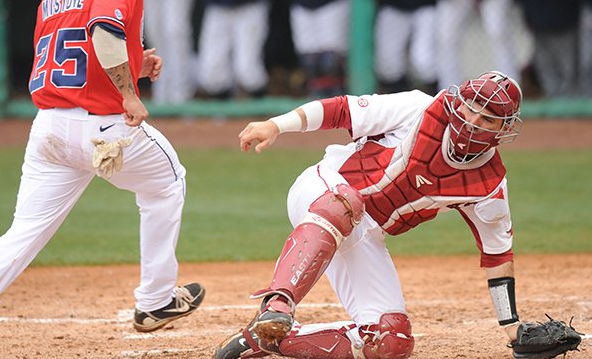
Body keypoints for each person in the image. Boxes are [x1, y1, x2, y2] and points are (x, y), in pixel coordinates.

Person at [0, 0, 205, 333]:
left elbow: (74, 55)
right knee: (168, 184)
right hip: (102, 129)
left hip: (48, 128)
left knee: (22, 235)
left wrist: (135, 66)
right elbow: (103, 33)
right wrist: (129, 93)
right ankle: (156, 300)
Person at [215, 71, 530, 359]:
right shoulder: (420, 108)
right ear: (456, 101)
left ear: (504, 129)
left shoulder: (488, 184)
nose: (473, 121)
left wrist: (513, 329)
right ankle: (278, 305)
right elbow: (341, 109)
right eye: (470, 108)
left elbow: (498, 256)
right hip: (323, 190)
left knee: (390, 341)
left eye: (488, 118)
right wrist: (277, 125)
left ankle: (267, 339)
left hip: (363, 233)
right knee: (345, 203)